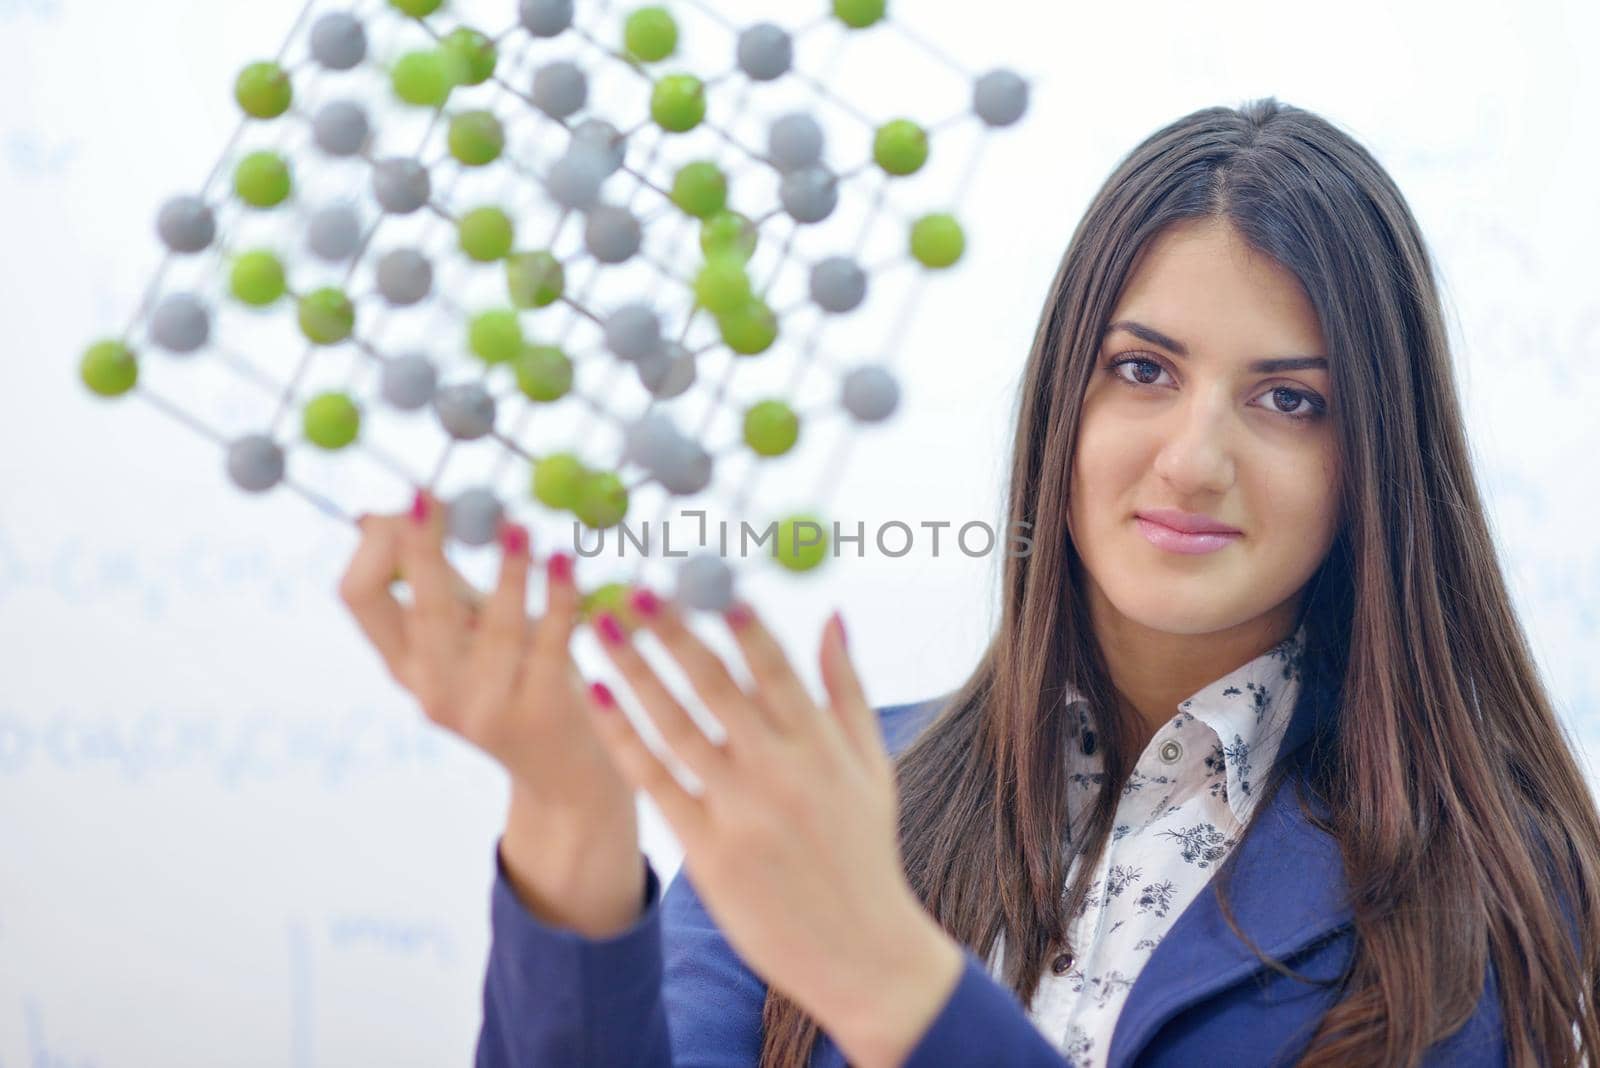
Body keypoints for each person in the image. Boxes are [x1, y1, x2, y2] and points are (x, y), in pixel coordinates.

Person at [339, 97, 1600, 1067]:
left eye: (1288, 400)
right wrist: (569, 807)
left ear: (1371, 461)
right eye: (1143, 370)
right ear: (1062, 397)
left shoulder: (1488, 887)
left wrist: (895, 983)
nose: (1194, 459)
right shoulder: (844, 798)